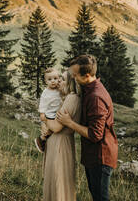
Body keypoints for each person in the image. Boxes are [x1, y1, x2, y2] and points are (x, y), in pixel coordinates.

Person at [57, 54, 118, 201]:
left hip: (100, 156)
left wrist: (69, 123)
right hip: (93, 155)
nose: (73, 77)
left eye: (76, 75)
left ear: (88, 75)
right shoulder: (89, 88)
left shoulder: (95, 97)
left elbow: (96, 134)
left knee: (100, 198)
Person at [42, 70, 81, 201]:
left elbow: (56, 127)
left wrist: (44, 119)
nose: (59, 81)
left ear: (71, 82)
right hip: (57, 142)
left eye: (63, 79)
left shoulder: (72, 98)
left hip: (60, 143)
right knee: (54, 180)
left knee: (59, 181)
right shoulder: (66, 97)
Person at [35, 68, 65, 153]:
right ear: (46, 81)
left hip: (57, 112)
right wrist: (42, 113)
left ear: (59, 79)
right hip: (50, 114)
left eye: (55, 78)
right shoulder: (46, 92)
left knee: (55, 128)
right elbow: (43, 103)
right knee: (49, 130)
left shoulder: (58, 88)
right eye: (49, 79)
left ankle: (45, 140)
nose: (53, 81)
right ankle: (41, 139)